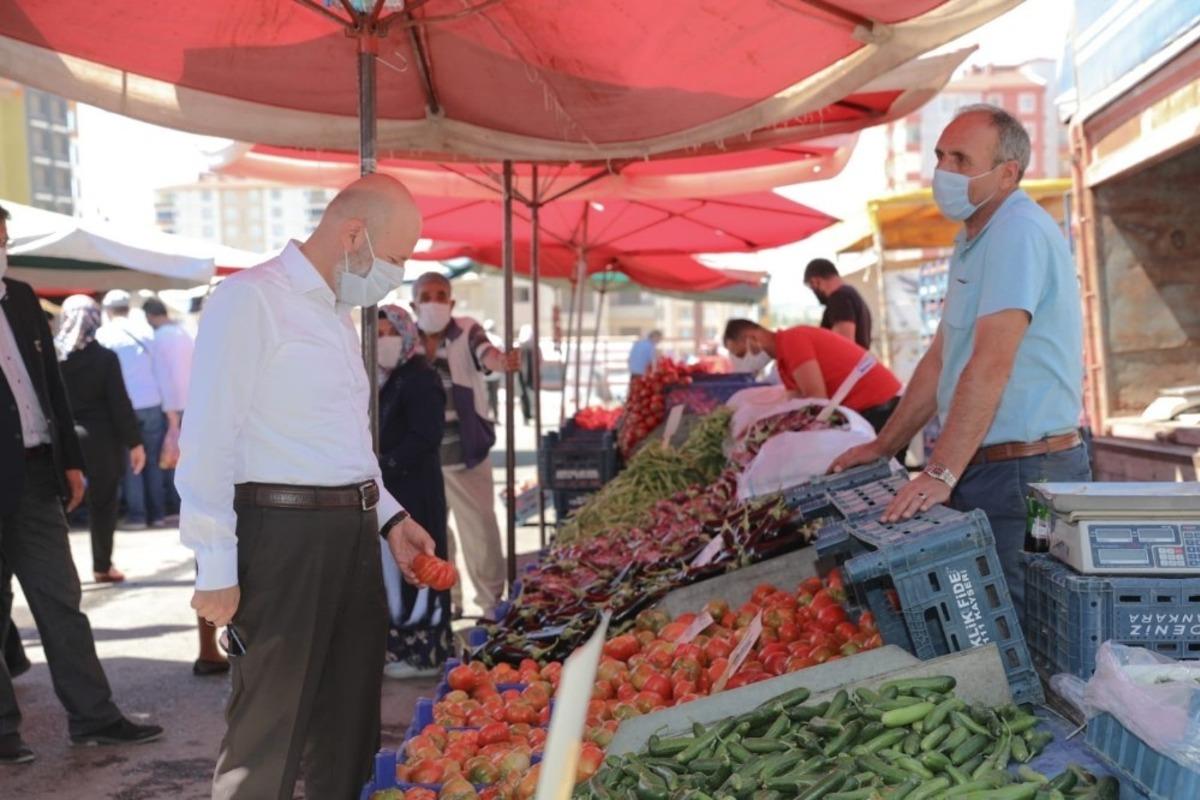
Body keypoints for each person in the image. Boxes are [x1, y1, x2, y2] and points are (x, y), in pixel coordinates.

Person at [178, 174, 436, 799]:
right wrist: (215, 561)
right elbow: (208, 436)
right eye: (395, 257)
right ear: (353, 234)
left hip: (351, 532)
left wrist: (390, 518)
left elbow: (344, 444)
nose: (396, 275)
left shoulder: (335, 314)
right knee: (267, 735)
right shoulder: (250, 300)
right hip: (281, 534)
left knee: (349, 728)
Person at [830, 104, 1090, 613]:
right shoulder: (973, 238)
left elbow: (991, 363)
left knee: (1025, 618)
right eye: (940, 156)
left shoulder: (1017, 231)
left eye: (961, 159)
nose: (943, 171)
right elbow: (941, 358)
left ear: (1007, 173)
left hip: (1027, 475)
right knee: (996, 614)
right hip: (993, 469)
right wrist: (885, 445)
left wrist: (941, 472)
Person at [0, 204, 163, 765]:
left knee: (61, 601)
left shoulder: (21, 298)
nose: (0, 251)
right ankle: (2, 731)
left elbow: (48, 385)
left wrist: (68, 460)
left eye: (3, 240)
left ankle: (94, 718)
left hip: (35, 473)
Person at [411, 272, 517, 618]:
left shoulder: (466, 330)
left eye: (441, 295)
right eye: (426, 296)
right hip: (423, 458)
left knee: (480, 531)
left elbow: (487, 354)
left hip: (465, 453)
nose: (434, 302)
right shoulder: (405, 338)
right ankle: (447, 601)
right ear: (414, 304)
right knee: (432, 534)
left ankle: (490, 602)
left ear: (452, 302)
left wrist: (502, 361)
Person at [376, 305, 454, 680]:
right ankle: (402, 647)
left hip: (416, 490)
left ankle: (427, 652)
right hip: (393, 492)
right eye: (376, 335)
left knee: (422, 565)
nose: (383, 341)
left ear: (407, 334)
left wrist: (384, 465)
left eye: (390, 333)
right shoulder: (388, 378)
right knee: (397, 571)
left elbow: (426, 436)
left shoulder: (421, 377)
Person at [56, 295, 146, 583]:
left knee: (58, 508)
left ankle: (57, 573)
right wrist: (134, 442)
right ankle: (102, 566)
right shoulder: (105, 358)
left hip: (62, 440)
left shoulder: (52, 357)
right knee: (104, 504)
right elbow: (120, 404)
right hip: (101, 441)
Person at [723, 320, 902, 432]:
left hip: (882, 407)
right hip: (868, 410)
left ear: (752, 337)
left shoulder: (793, 340)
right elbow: (796, 405)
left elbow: (816, 399)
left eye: (742, 354)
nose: (744, 361)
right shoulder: (783, 364)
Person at [96, 290, 169, 528]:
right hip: (152, 402)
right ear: (128, 308)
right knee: (152, 461)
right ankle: (158, 514)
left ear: (108, 310)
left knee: (132, 464)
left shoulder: (103, 335)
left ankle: (137, 516)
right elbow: (159, 370)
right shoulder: (145, 331)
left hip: (124, 407)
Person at [142, 295, 192, 511]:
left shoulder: (159, 338)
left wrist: (170, 410)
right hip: (190, 403)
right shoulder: (184, 333)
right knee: (184, 457)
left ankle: (170, 505)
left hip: (169, 405)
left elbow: (163, 375)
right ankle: (182, 503)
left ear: (149, 315)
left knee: (166, 458)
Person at [804, 258, 873, 349]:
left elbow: (843, 345)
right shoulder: (850, 294)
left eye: (811, 286)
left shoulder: (839, 298)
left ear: (815, 281)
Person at [517, 324, 536, 426]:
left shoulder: (532, 348)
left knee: (527, 396)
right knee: (525, 396)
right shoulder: (520, 348)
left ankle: (529, 415)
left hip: (529, 376)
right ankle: (527, 416)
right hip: (524, 376)